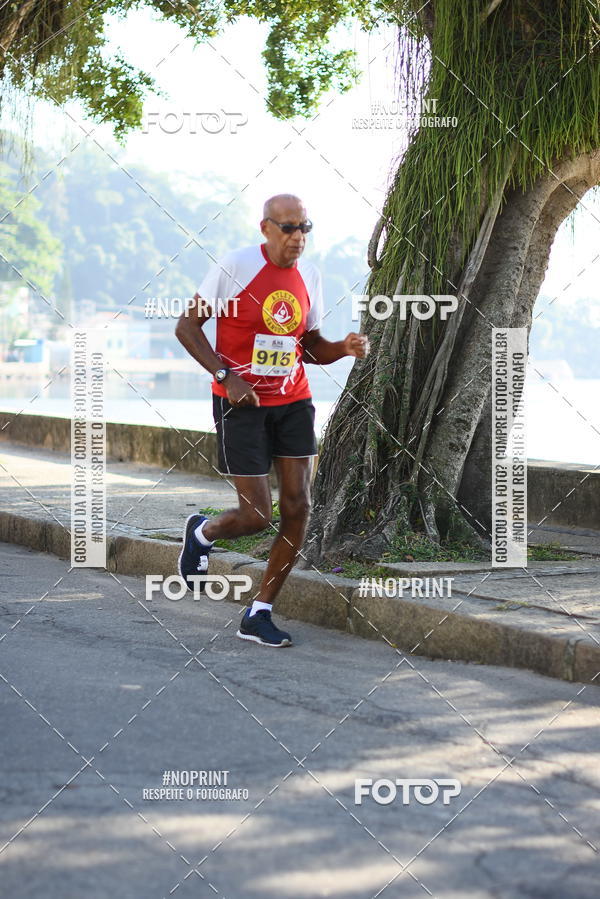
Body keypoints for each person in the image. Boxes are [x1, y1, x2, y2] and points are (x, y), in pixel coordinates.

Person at [175, 194, 369, 647]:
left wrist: (342, 347)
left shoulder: (310, 275)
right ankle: (203, 532)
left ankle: (259, 612)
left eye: (305, 227)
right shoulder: (236, 267)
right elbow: (187, 327)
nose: (298, 237)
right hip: (240, 404)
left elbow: (308, 345)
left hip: (294, 400)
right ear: (265, 228)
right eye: (288, 227)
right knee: (257, 515)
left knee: (298, 506)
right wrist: (227, 375)